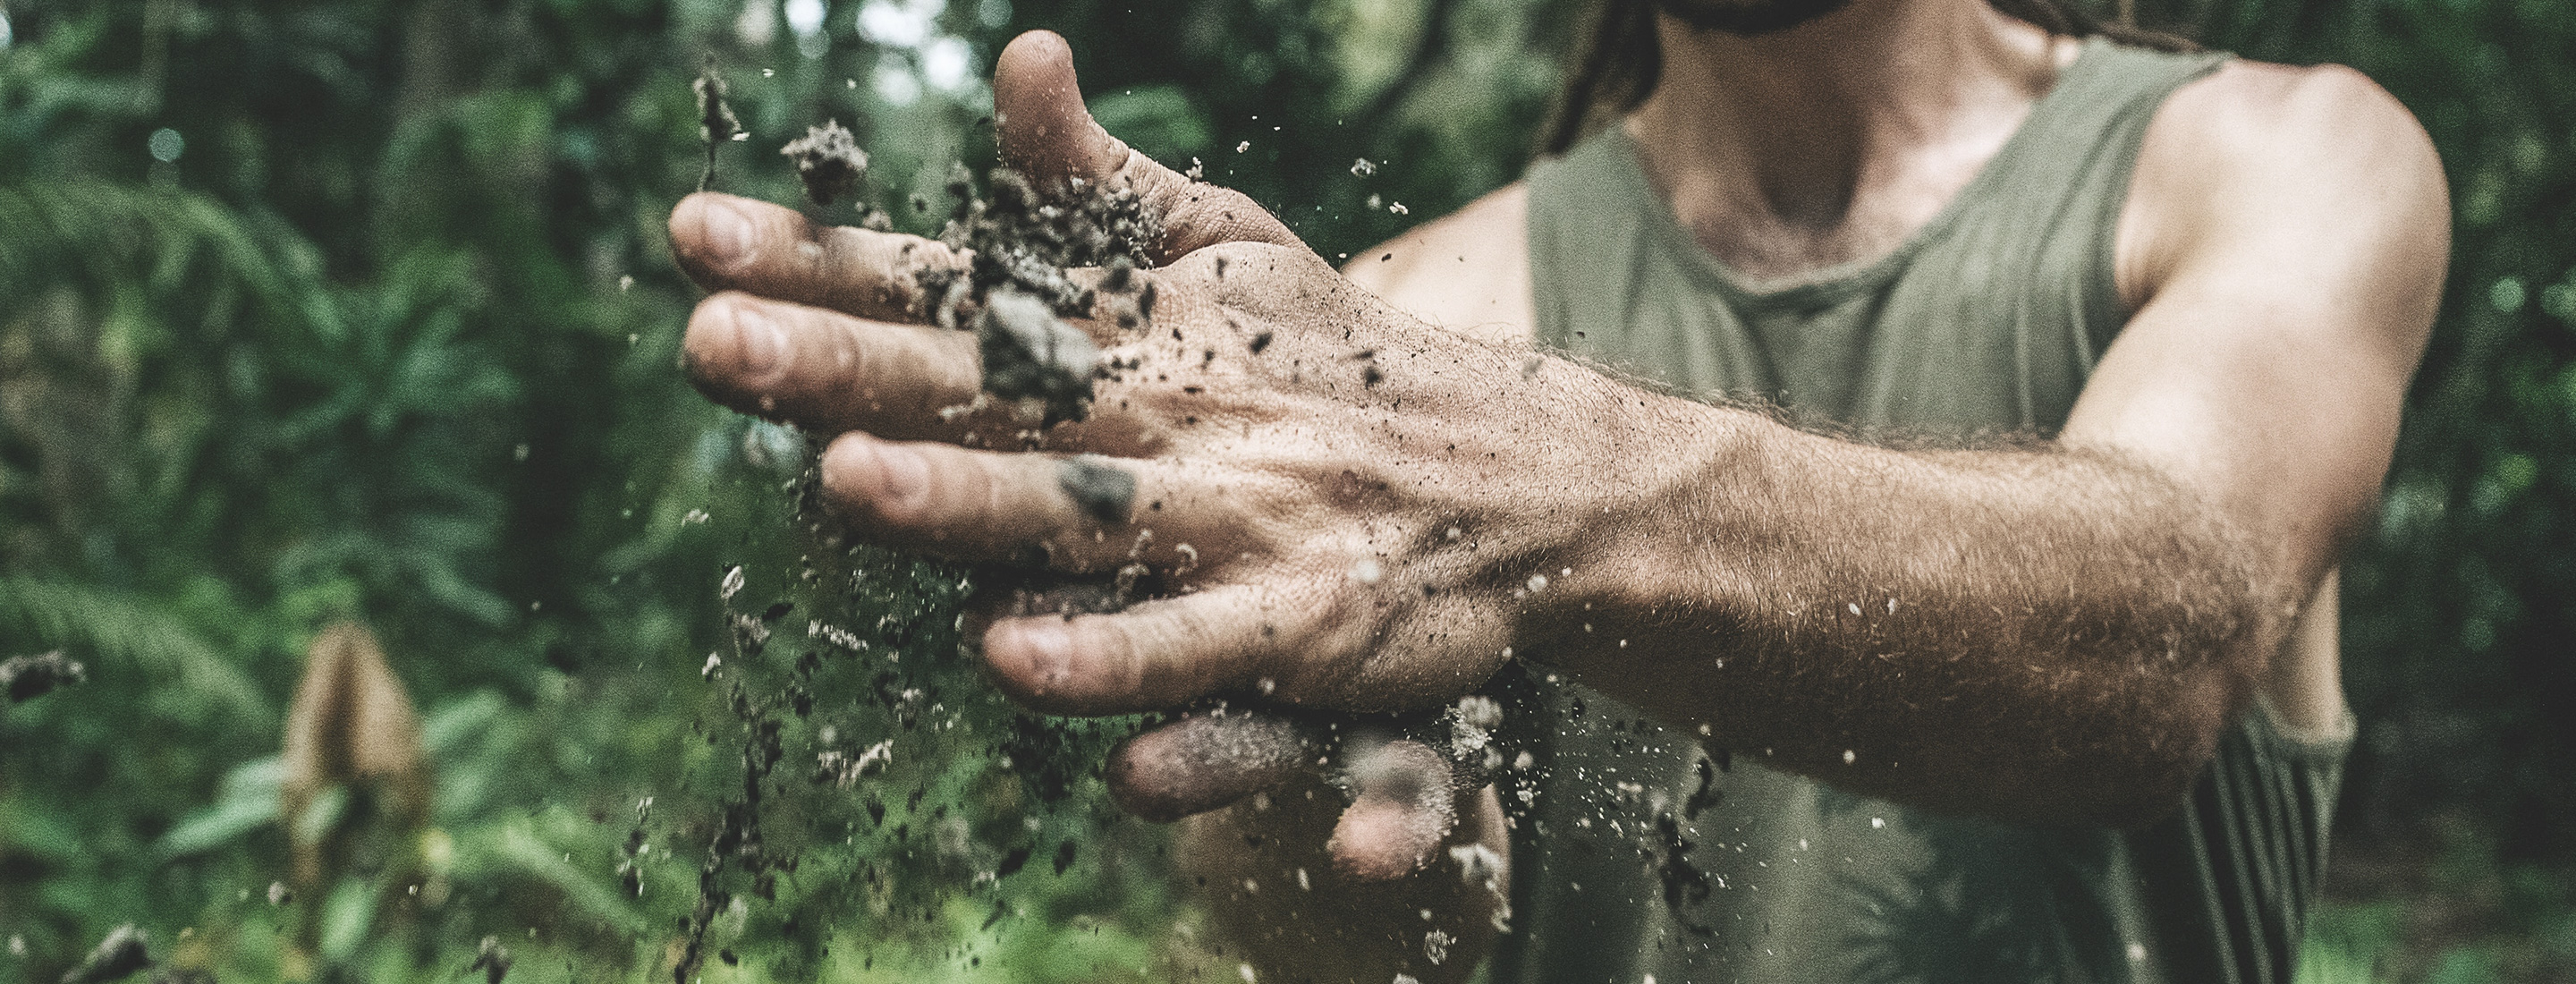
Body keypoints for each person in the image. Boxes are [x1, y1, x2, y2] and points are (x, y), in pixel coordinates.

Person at [663, 0, 2446, 976]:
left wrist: (1546, 489)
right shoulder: (1413, 320)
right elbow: (1389, 947)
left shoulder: (2267, 159)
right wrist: (1321, 792)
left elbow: (2160, 637)